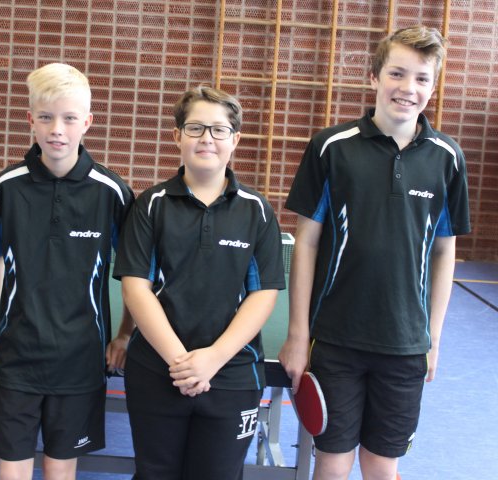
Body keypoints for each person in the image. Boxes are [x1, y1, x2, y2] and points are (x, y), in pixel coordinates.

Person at [278, 26, 471, 480]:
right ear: (374, 77)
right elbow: (306, 243)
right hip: (336, 337)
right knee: (333, 462)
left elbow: (445, 252)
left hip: (406, 344)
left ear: (433, 87)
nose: (408, 88)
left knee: (383, 465)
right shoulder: (331, 148)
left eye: (421, 78)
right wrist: (298, 334)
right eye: (396, 73)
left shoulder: (447, 157)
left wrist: (433, 338)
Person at [113, 86, 286, 479]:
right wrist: (181, 362)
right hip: (158, 371)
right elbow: (136, 288)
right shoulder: (150, 205)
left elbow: (263, 293)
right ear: (177, 136)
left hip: (233, 374)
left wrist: (213, 358)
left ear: (235, 139)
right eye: (195, 128)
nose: (207, 138)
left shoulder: (257, 212)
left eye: (219, 129)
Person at [0, 62, 135, 480]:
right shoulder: (6, 186)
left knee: (60, 470)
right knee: (11, 471)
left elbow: (136, 275)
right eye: (46, 117)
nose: (57, 130)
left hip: (81, 360)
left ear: (87, 122)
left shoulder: (112, 192)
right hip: (17, 356)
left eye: (69, 118)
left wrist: (124, 334)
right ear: (30, 118)